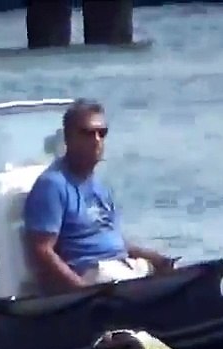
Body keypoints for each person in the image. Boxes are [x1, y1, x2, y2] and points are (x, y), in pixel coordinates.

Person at [23, 99, 175, 292]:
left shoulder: (98, 186)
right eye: (88, 133)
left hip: (121, 264)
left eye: (102, 133)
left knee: (179, 275)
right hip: (93, 272)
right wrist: (83, 292)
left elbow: (112, 239)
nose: (97, 140)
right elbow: (42, 250)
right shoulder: (52, 185)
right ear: (68, 138)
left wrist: (156, 259)